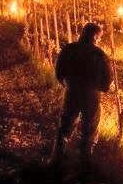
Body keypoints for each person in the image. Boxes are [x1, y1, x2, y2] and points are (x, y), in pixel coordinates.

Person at [48, 23, 112, 175]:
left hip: (72, 91)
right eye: (100, 37)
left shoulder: (69, 49)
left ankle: (56, 161)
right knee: (89, 130)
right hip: (92, 95)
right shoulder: (99, 54)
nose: (99, 40)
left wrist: (67, 85)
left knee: (65, 127)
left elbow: (59, 71)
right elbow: (107, 78)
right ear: (95, 36)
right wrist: (101, 89)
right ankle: (84, 164)